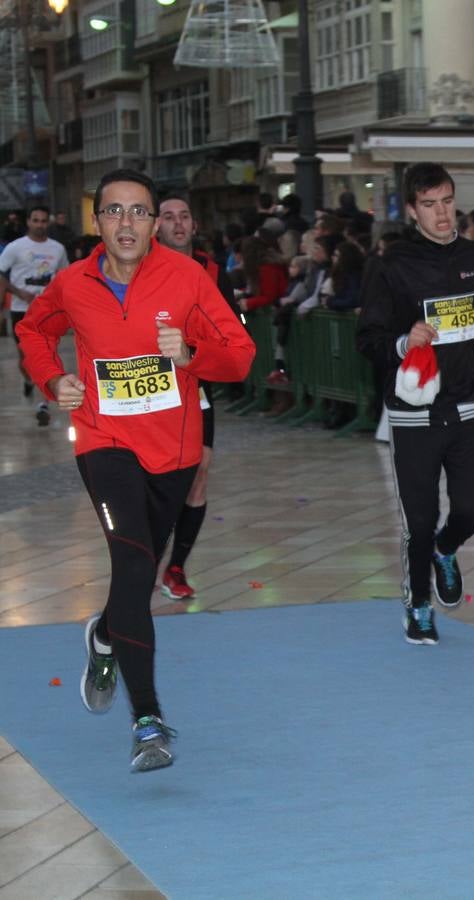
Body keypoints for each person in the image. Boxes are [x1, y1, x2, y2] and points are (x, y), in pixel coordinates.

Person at [16, 169, 254, 771]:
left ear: (155, 223)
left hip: (173, 451)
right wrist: (54, 380)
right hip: (104, 440)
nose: (127, 223)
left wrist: (192, 354)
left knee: (137, 578)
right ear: (98, 221)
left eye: (139, 212)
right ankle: (148, 720)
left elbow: (241, 358)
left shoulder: (187, 277)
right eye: (115, 211)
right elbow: (32, 330)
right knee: (134, 560)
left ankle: (103, 634)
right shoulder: (72, 283)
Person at [356, 162, 474, 645]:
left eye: (446, 201)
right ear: (412, 209)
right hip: (414, 410)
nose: (441, 214)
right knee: (417, 520)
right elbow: (367, 339)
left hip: (468, 407)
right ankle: (419, 604)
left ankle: (446, 549)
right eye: (429, 204)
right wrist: (404, 340)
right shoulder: (391, 262)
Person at [155, 193, 234, 600]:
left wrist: (203, 353)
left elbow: (232, 332)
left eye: (185, 216)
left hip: (196, 387)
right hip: (150, 389)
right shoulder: (140, 268)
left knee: (199, 471)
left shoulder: (213, 271)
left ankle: (176, 567)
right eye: (169, 217)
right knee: (154, 479)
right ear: (157, 226)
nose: (178, 223)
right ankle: (145, 556)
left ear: (194, 225)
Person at [1, 205, 70, 426]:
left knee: (45, 355)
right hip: (21, 310)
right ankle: (30, 381)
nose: (40, 225)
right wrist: (18, 292)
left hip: (48, 312)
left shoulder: (58, 248)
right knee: (24, 357)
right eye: (35, 220)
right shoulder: (15, 247)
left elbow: (65, 276)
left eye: (43, 221)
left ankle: (43, 403)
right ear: (28, 222)